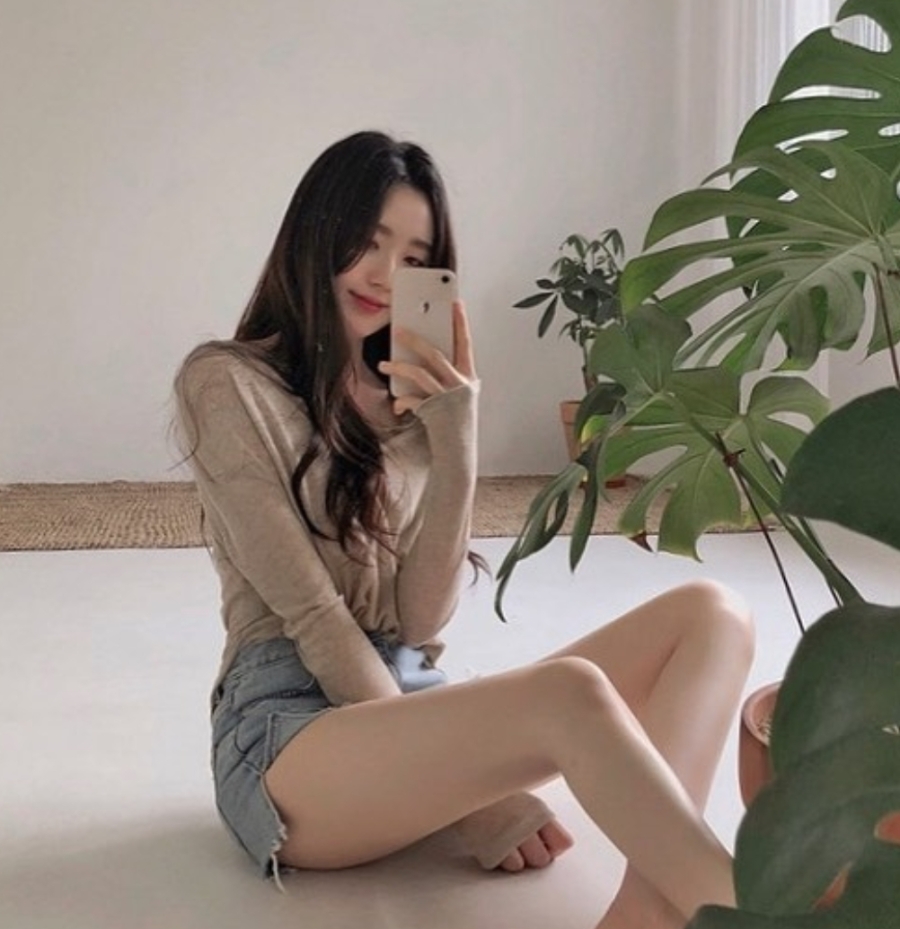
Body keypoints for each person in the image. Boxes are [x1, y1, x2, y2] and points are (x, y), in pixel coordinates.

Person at [174, 130, 755, 929]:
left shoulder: (413, 405)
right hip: (287, 739)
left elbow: (419, 625)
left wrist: (457, 436)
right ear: (314, 233)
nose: (386, 274)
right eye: (368, 241)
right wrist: (474, 803)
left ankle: (645, 912)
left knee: (714, 614)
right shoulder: (226, 383)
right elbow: (312, 616)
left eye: (414, 257)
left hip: (403, 695)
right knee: (568, 693)